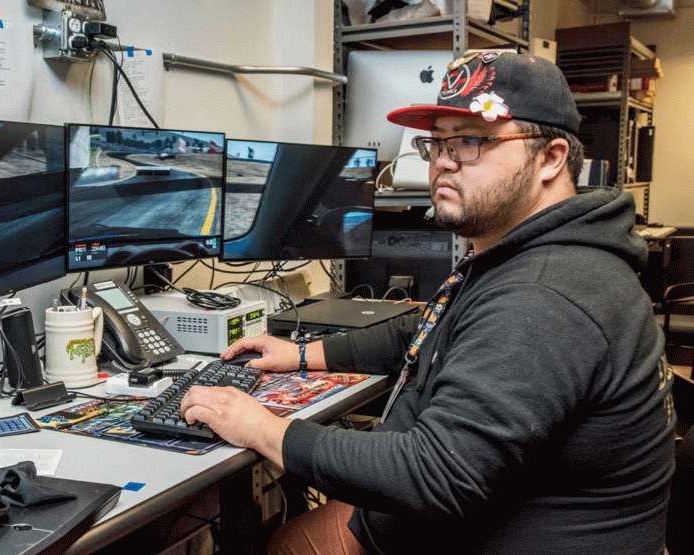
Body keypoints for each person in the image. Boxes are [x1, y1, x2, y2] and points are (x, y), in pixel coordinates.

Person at [179, 52, 675, 555]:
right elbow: (425, 328)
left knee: (287, 543)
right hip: (486, 513)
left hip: (485, 525)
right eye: (436, 141)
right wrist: (303, 355)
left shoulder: (544, 295)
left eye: (471, 140)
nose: (442, 159)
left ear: (550, 157)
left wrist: (265, 428)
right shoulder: (533, 255)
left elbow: (435, 475)